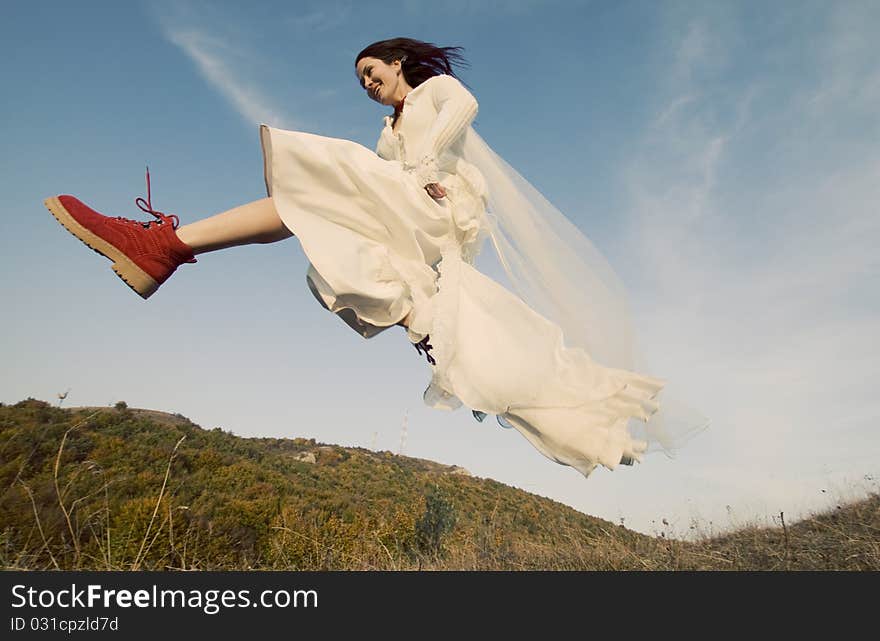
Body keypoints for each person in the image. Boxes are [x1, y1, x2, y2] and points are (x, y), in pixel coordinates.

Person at [45, 37, 704, 478]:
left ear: (400, 63)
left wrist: (422, 163)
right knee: (315, 207)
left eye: (372, 71)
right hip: (407, 212)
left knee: (326, 180)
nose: (367, 83)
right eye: (361, 80)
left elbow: (465, 107)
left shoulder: (434, 94)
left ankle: (159, 246)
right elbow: (394, 179)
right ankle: (163, 249)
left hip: (432, 205)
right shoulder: (387, 134)